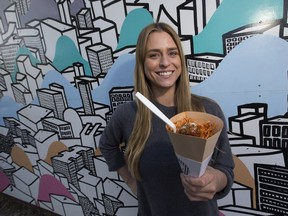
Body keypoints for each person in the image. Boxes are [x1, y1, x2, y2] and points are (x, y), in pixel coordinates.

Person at [99, 22, 234, 216]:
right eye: (153, 55)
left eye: (172, 53)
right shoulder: (127, 114)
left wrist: (215, 179)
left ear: (180, 58)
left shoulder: (209, 111)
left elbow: (225, 167)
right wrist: (130, 181)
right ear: (142, 63)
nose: (164, 62)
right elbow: (107, 145)